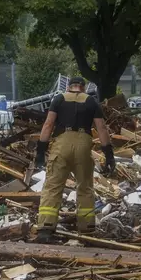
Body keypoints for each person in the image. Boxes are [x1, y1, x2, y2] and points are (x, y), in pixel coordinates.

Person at [34, 77, 115, 241]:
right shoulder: (91, 101)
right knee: (85, 187)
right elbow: (101, 128)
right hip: (83, 146)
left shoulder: (59, 99)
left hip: (61, 146)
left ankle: (46, 229)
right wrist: (109, 155)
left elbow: (48, 125)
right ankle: (87, 229)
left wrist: (41, 151)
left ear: (69, 87)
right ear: (83, 88)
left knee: (52, 187)